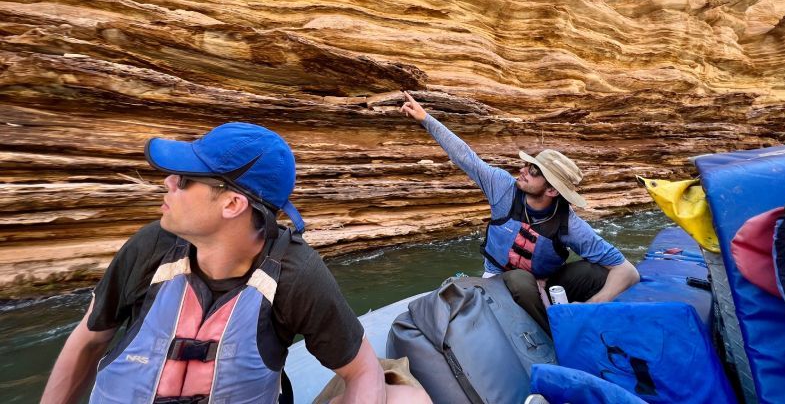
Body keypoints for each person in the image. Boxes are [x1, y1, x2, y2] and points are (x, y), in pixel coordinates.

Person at [41, 122, 430, 404]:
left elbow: (362, 370)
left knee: (404, 400)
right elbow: (88, 342)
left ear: (232, 204)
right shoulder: (150, 247)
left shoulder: (294, 273)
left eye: (186, 179)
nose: (168, 183)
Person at [400, 92, 639, 334]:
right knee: (519, 279)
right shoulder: (503, 188)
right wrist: (426, 119)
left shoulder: (569, 224)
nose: (523, 170)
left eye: (534, 171)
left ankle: (582, 321)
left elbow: (627, 271)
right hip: (497, 280)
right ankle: (555, 333)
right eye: (528, 165)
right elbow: (465, 157)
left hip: (544, 284)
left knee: (595, 273)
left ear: (552, 191)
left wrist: (592, 304)